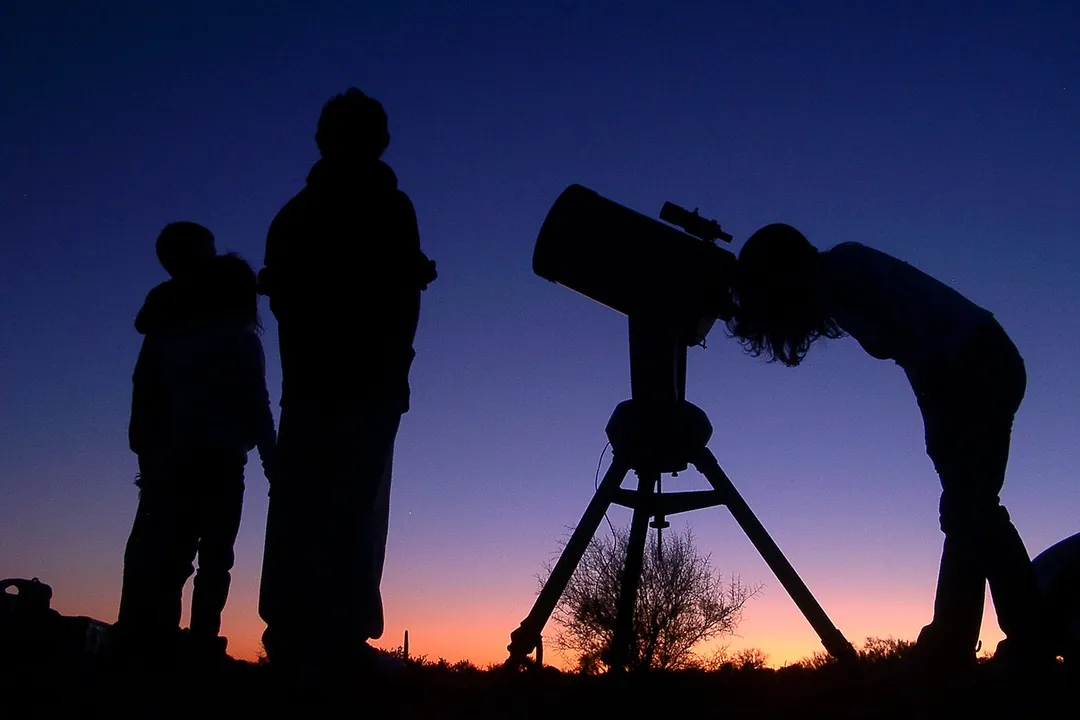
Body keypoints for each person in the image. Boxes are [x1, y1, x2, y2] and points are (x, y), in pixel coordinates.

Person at [726, 223, 1052, 673]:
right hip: (978, 365)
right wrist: (937, 423)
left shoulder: (841, 273)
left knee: (971, 509)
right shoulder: (839, 280)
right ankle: (965, 642)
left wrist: (938, 419)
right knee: (969, 511)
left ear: (782, 273)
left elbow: (919, 341)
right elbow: (916, 349)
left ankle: (1007, 640)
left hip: (978, 367)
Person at [257, 88, 436, 673]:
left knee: (301, 507)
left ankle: (293, 635)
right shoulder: (390, 207)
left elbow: (285, 299)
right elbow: (397, 302)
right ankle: (339, 641)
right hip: (366, 383)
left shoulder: (293, 215)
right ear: (379, 141)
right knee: (355, 507)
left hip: (310, 385)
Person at [116, 250, 277, 666]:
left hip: (174, 458)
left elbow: (152, 396)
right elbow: (257, 405)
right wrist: (271, 461)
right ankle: (201, 643)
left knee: (173, 556)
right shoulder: (242, 340)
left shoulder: (175, 338)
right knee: (216, 558)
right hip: (221, 461)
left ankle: (162, 641)